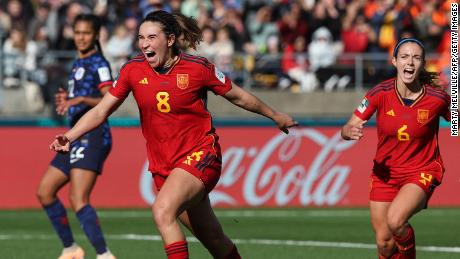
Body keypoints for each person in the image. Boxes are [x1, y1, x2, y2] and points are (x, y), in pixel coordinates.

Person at [50, 10, 298, 259]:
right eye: (140, 38)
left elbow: (238, 96)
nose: (144, 44)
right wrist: (69, 136)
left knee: (162, 210)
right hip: (164, 166)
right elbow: (101, 110)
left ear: (169, 40)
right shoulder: (133, 71)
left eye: (151, 37)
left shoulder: (198, 68)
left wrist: (274, 115)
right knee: (213, 238)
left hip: (201, 154)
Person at [341, 38, 451, 259]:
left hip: (421, 171)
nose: (410, 62)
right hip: (385, 174)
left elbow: (456, 126)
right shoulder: (379, 93)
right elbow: (348, 126)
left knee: (396, 220)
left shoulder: (437, 98)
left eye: (416, 57)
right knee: (384, 243)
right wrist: (349, 131)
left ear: (422, 64)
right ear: (394, 61)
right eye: (404, 57)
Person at [37, 14, 115, 259]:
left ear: (95, 35)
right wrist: (68, 103)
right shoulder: (78, 63)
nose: (81, 37)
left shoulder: (98, 63)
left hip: (92, 136)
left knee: (78, 198)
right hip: (73, 137)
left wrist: (81, 100)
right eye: (78, 32)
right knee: (45, 192)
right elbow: (78, 98)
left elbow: (109, 98)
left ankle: (104, 254)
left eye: (86, 33)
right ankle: (71, 248)